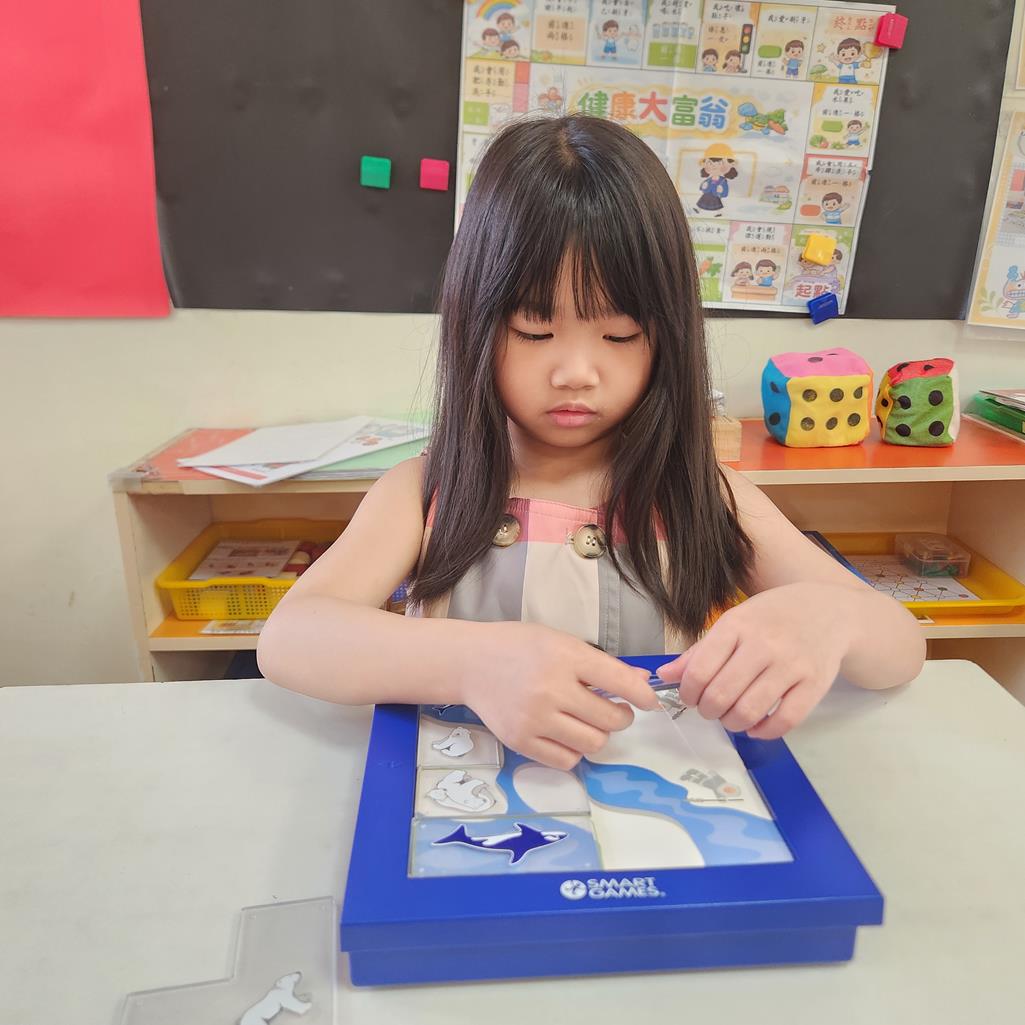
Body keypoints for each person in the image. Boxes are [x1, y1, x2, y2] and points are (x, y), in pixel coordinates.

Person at [257, 115, 924, 770]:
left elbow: (901, 647)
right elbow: (291, 638)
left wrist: (830, 619)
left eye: (620, 334)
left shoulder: (702, 496)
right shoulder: (424, 490)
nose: (576, 372)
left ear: (667, 338)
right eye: (534, 329)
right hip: (468, 800)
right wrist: (470, 662)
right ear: (473, 322)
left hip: (655, 804)